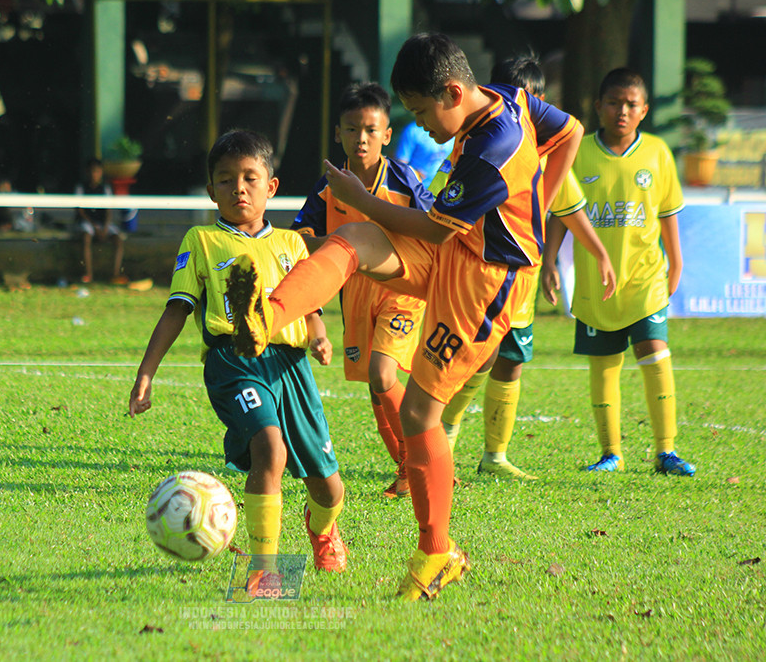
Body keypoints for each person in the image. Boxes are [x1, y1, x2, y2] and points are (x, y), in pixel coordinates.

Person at [226, 33, 583, 600]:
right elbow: (570, 132)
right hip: (456, 251)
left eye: (421, 113)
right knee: (357, 238)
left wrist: (360, 195)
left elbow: (435, 227)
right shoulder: (506, 96)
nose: (421, 128)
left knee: (419, 412)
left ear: (452, 90)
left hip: (488, 279)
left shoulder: (494, 149)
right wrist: (540, 202)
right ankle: (265, 319)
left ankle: (436, 554)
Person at [128, 130, 349, 586]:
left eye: (250, 178)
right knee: (270, 450)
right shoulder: (203, 240)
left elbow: (310, 306)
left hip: (290, 366)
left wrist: (319, 337)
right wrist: (146, 372)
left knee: (330, 487)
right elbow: (177, 309)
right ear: (211, 191)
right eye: (226, 180)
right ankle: (264, 570)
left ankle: (322, 528)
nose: (238, 188)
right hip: (233, 363)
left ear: (271, 186)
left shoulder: (292, 244)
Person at [438, 55, 617, 480]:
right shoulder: (483, 150)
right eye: (531, 100)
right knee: (476, 359)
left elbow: (566, 207)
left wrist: (597, 254)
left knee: (512, 360)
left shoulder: (545, 154)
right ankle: (444, 432)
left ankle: (494, 456)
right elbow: (442, 198)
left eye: (539, 100)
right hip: (484, 277)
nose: (537, 110)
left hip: (524, 281)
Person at [542, 68, 695, 477]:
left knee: (655, 356)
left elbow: (667, 217)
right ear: (598, 107)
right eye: (614, 102)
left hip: (645, 278)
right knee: (604, 365)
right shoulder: (580, 154)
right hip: (596, 283)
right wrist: (550, 260)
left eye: (631, 104)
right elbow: (562, 211)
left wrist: (675, 266)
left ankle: (666, 452)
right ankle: (611, 453)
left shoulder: (658, 154)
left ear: (644, 110)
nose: (621, 111)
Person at [291, 82, 435, 499]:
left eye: (372, 130)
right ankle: (408, 466)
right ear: (338, 133)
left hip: (401, 290)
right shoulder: (327, 187)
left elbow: (433, 230)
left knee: (382, 372)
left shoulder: (405, 180)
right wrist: (337, 250)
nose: (362, 138)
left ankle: (423, 457)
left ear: (387, 135)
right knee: (376, 387)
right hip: (354, 296)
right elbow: (301, 241)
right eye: (353, 129)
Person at [74, 158, 127, 284]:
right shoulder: (81, 188)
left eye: (97, 172)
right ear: (88, 172)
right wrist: (95, 227)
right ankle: (88, 274)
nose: (95, 175)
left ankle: (115, 274)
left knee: (118, 240)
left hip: (103, 223)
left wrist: (105, 227)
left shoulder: (105, 189)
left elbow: (109, 211)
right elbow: (81, 211)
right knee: (86, 237)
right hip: (87, 223)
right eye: (92, 172)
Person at [395, 121, 452, 188]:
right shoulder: (413, 130)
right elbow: (400, 164)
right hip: (419, 188)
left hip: (444, 187)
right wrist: (413, 173)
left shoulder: (452, 129)